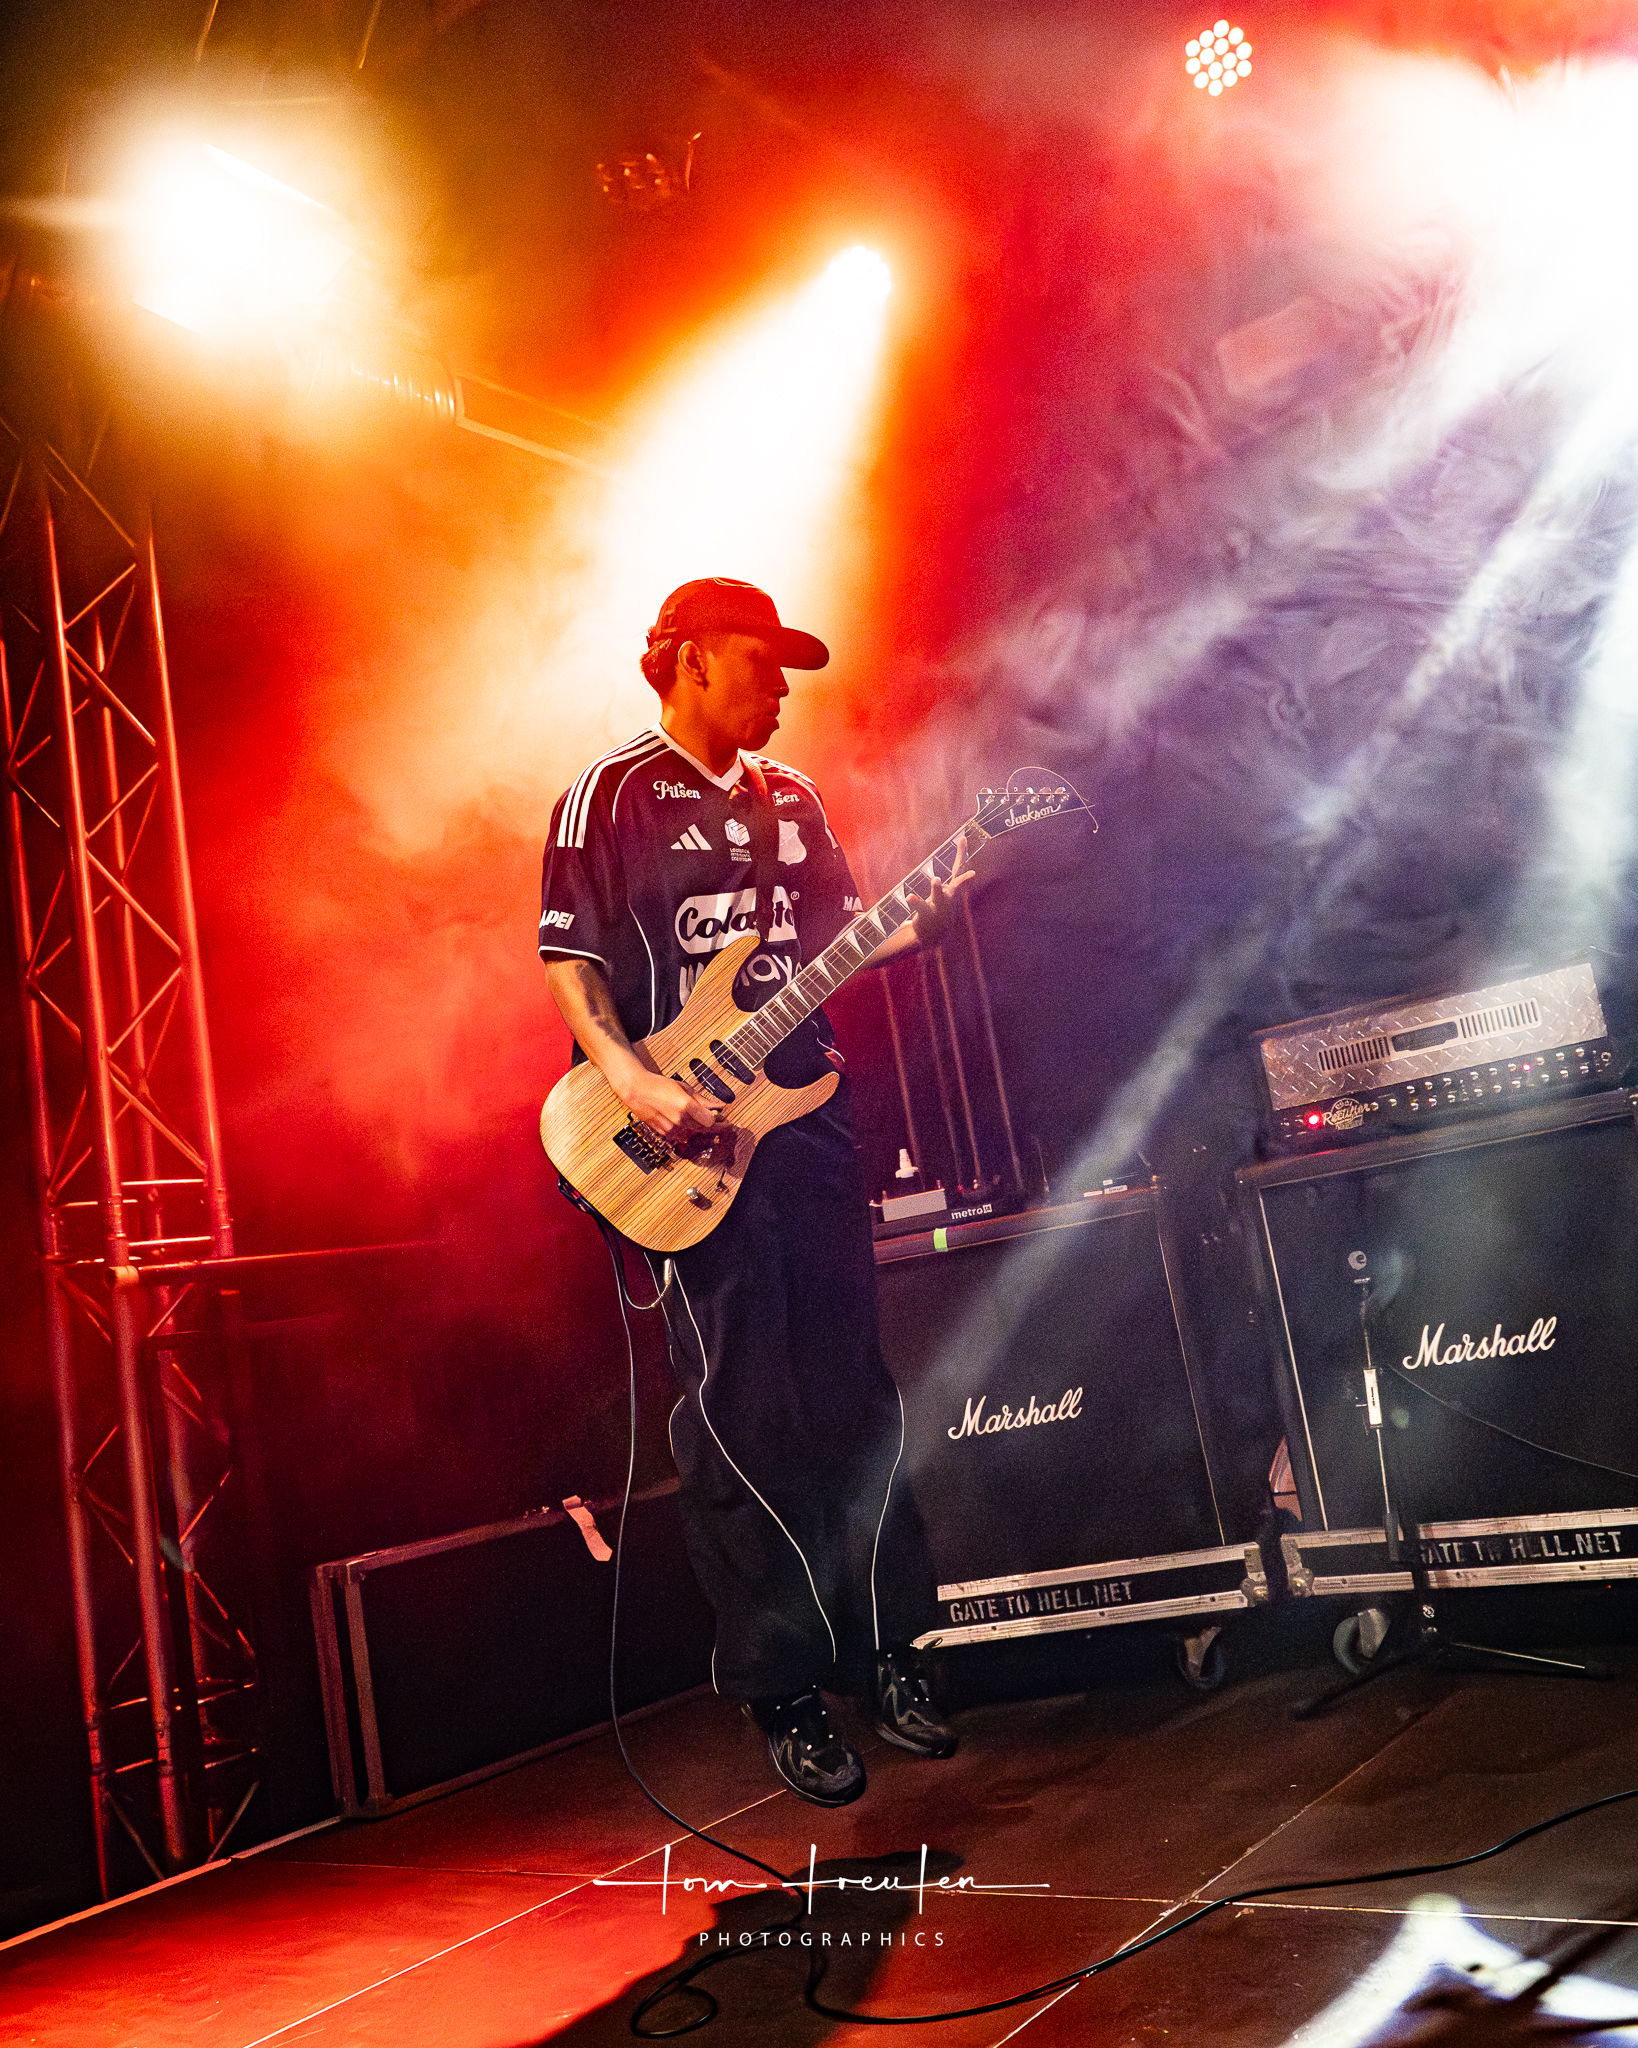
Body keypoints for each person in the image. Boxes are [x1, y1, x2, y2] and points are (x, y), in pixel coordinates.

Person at [539, 577, 966, 1807]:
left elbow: (842, 934)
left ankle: (890, 1651)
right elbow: (570, 959)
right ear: (687, 661)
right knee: (741, 1408)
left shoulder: (795, 799)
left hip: (805, 1115)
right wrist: (635, 1082)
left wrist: (921, 922)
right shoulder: (609, 793)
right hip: (679, 1136)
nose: (780, 686)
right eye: (759, 660)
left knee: (854, 1387)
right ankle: (785, 1686)